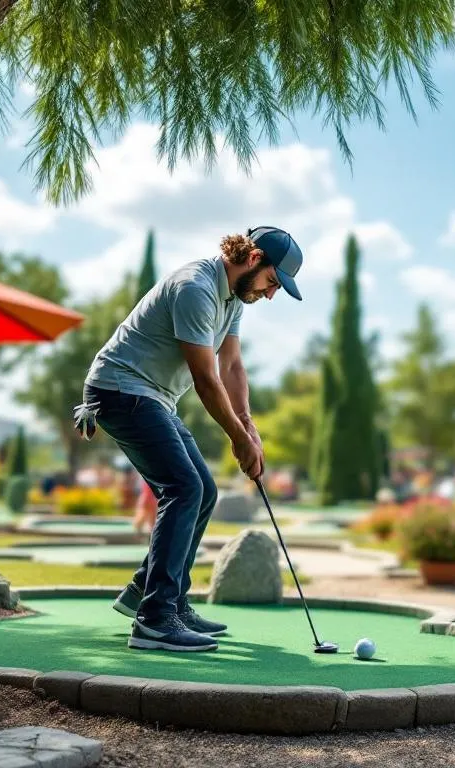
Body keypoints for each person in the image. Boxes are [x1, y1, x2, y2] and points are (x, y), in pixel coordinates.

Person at [73, 226, 303, 653]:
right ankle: (155, 620)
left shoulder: (234, 296)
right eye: (273, 282)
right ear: (253, 258)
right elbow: (206, 381)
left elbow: (232, 365)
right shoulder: (196, 288)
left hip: (153, 396)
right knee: (183, 487)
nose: (271, 294)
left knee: (205, 490)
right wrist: (239, 441)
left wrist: (248, 424)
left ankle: (162, 596)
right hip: (119, 389)